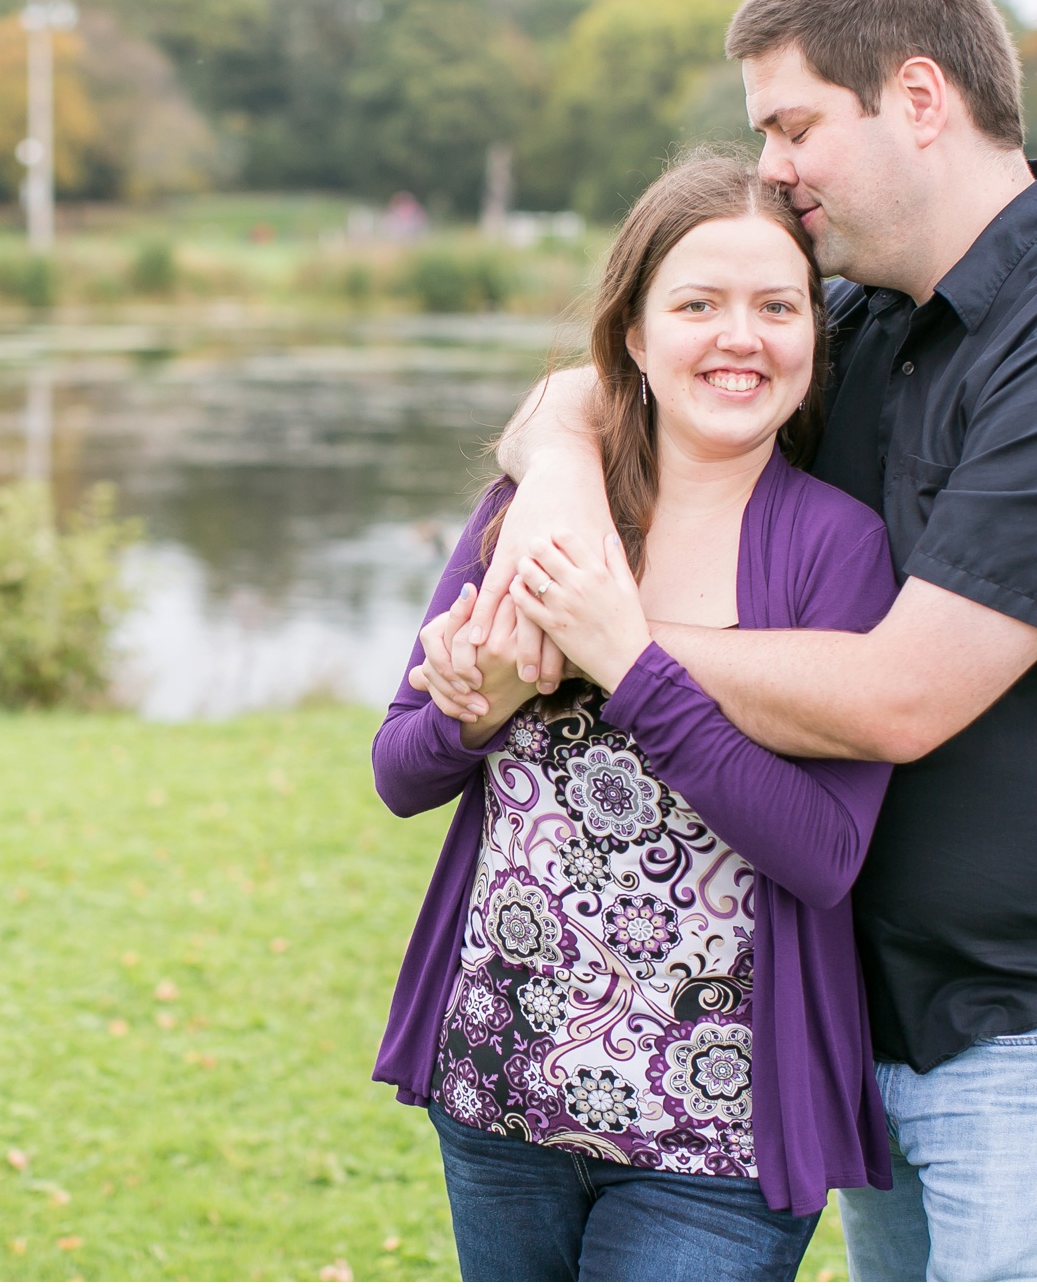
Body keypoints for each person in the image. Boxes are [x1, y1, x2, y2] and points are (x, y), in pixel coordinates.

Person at [420, 0, 1037, 1282]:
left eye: (794, 124)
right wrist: (566, 470)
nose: (771, 168)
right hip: (882, 1021)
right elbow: (604, 378)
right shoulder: (868, 324)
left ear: (919, 98)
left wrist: (598, 642)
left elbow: (900, 693)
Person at [372, 151, 899, 1282]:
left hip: (711, 1141)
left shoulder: (835, 547)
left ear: (814, 332)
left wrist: (631, 660)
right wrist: (474, 711)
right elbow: (398, 769)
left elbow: (822, 854)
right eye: (697, 304)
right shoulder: (536, 512)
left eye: (775, 305)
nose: (738, 337)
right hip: (498, 1091)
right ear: (633, 334)